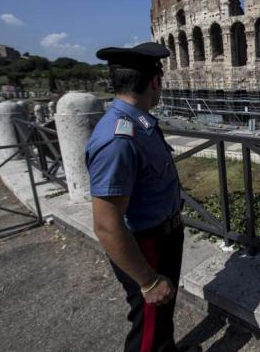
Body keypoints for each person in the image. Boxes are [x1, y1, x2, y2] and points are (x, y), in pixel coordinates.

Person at [86, 42, 185, 352]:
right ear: (154, 81)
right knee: (148, 327)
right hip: (146, 247)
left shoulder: (138, 123)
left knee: (162, 318)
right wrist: (148, 281)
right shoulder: (118, 138)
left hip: (163, 238)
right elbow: (106, 224)